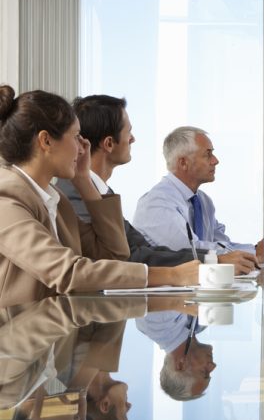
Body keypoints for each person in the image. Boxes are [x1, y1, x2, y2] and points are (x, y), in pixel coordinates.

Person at [0, 85, 198, 306]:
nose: (83, 148)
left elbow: (114, 255)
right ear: (46, 141)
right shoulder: (6, 201)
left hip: (53, 334)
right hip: (15, 335)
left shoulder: (55, 200)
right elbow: (67, 273)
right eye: (76, 137)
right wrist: (172, 275)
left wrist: (84, 182)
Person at [56, 95, 258, 274]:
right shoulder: (76, 192)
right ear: (109, 144)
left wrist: (216, 260)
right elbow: (125, 258)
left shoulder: (101, 191)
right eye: (129, 132)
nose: (133, 139)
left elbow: (143, 249)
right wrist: (213, 262)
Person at [133, 126, 261, 257]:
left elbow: (222, 243)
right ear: (183, 163)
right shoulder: (156, 203)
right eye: (208, 154)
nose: (215, 161)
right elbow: (192, 251)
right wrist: (252, 252)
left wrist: (256, 250)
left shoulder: (203, 201)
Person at [135, 311, 216, 401]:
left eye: (204, 372)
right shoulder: (201, 325)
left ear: (180, 365)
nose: (213, 366)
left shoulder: (154, 325)